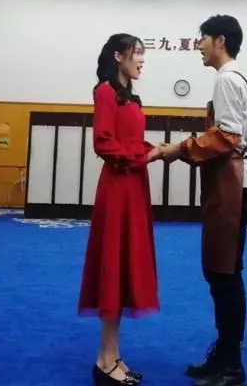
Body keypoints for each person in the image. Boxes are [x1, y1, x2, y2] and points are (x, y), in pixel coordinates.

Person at [159, 14, 247, 386]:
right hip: (228, 186)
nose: (198, 46)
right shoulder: (230, 78)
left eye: (202, 39)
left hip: (233, 187)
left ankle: (231, 366)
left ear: (220, 41)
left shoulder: (227, 79)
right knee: (219, 273)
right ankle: (222, 358)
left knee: (225, 275)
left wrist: (179, 149)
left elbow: (227, 136)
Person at [78, 33, 163, 386]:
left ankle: (113, 355)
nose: (142, 59)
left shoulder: (130, 96)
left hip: (134, 185)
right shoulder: (105, 92)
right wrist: (145, 155)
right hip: (117, 187)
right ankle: (104, 359)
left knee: (125, 266)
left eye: (143, 53)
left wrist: (151, 150)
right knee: (113, 268)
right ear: (118, 56)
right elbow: (104, 143)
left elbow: (129, 141)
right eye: (137, 53)